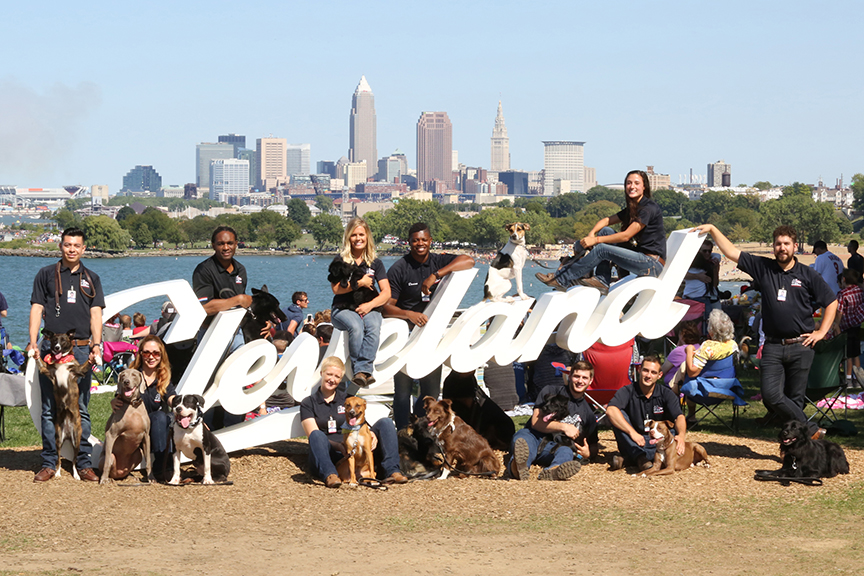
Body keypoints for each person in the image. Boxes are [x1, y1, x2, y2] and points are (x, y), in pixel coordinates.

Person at [696, 224, 837, 437]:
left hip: (801, 345)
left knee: (795, 399)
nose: (782, 248)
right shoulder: (763, 267)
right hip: (772, 345)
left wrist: (822, 332)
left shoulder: (808, 274)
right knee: (771, 396)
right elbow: (731, 252)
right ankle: (810, 430)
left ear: (795, 246)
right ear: (773, 247)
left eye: (786, 244)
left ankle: (795, 452)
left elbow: (832, 301)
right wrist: (713, 230)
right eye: (778, 244)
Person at [27, 227, 105, 483]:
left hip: (80, 350)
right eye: (67, 244)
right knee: (49, 410)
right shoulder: (46, 274)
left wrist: (96, 345)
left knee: (80, 409)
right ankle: (50, 463)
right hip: (50, 348)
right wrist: (32, 342)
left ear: (83, 249)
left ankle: (84, 464)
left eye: (76, 245)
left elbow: (96, 315)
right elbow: (37, 308)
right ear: (60, 246)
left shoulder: (92, 277)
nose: (72, 249)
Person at [382, 222, 475, 429]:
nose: (420, 244)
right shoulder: (399, 268)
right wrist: (409, 314)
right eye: (416, 240)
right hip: (405, 337)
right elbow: (386, 308)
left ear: (430, 241)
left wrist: (437, 274)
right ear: (409, 243)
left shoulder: (437, 261)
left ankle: (426, 433)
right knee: (403, 392)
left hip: (432, 338)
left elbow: (468, 260)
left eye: (424, 239)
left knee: (431, 392)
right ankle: (402, 433)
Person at [535, 170, 665, 295]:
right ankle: (602, 280)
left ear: (644, 187)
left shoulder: (648, 209)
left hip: (651, 264)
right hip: (642, 257)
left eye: (636, 183)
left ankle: (562, 279)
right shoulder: (634, 208)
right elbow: (606, 221)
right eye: (629, 183)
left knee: (602, 248)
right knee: (604, 232)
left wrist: (595, 241)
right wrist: (592, 233)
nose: (632, 186)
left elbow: (626, 236)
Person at [299, 356, 407, 488]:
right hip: (330, 453)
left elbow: (362, 424)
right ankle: (330, 475)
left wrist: (371, 434)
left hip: (355, 450)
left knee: (386, 423)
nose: (332, 379)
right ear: (322, 373)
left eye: (337, 377)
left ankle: (393, 471)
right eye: (329, 374)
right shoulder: (308, 403)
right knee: (316, 435)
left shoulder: (348, 400)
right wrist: (339, 446)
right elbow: (312, 434)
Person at [509, 360, 599, 481]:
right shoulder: (551, 391)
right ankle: (518, 468)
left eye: (584, 378)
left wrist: (588, 453)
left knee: (566, 452)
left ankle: (553, 471)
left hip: (554, 448)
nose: (580, 381)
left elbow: (593, 445)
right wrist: (564, 427)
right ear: (570, 376)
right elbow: (536, 423)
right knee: (522, 439)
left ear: (590, 381)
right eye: (577, 376)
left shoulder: (588, 413)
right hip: (534, 437)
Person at [329, 218, 391, 388]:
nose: (358, 238)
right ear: (348, 237)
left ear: (367, 236)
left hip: (369, 306)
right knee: (356, 326)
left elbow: (386, 292)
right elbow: (336, 289)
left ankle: (365, 372)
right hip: (343, 308)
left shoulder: (375, 263)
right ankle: (360, 371)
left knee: (373, 326)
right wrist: (360, 283)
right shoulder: (340, 260)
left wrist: (369, 306)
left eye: (361, 234)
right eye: (354, 235)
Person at [111, 334, 175, 481]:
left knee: (161, 418)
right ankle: (161, 468)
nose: (151, 357)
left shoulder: (163, 377)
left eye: (156, 353)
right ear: (141, 354)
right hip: (135, 429)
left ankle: (161, 465)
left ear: (161, 355)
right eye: (146, 352)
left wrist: (184, 408)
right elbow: (119, 396)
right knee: (159, 418)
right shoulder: (132, 375)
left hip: (155, 429)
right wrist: (114, 401)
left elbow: (171, 397)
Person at [607, 355, 686, 472]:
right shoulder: (627, 391)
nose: (648, 376)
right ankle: (642, 458)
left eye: (653, 372)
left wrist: (682, 436)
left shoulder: (666, 393)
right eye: (645, 370)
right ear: (639, 370)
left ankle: (634, 459)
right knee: (618, 414)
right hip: (634, 440)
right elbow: (610, 410)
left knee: (670, 435)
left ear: (659, 375)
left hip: (658, 442)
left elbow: (679, 416)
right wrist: (632, 433)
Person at [682, 309, 738, 424]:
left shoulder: (707, 347)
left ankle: (690, 415)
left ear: (711, 331)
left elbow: (693, 372)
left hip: (704, 391)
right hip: (727, 388)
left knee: (684, 374)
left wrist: (689, 351)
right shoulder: (733, 345)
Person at [833, 269, 864, 387]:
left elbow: (839, 311)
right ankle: (858, 378)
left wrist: (837, 324)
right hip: (856, 326)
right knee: (856, 353)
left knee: (847, 355)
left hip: (845, 327)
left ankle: (848, 379)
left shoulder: (843, 294)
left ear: (844, 279)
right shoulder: (859, 291)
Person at [662, 321, 701, 391]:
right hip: (695, 386)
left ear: (682, 334)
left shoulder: (679, 351)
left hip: (674, 388)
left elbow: (662, 370)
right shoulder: (699, 348)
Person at [683, 239, 721, 310]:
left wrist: (715, 269)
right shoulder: (689, 262)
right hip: (691, 297)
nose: (707, 253)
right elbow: (681, 275)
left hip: (707, 297)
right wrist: (698, 276)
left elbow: (715, 284)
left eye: (709, 251)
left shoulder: (712, 263)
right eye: (704, 251)